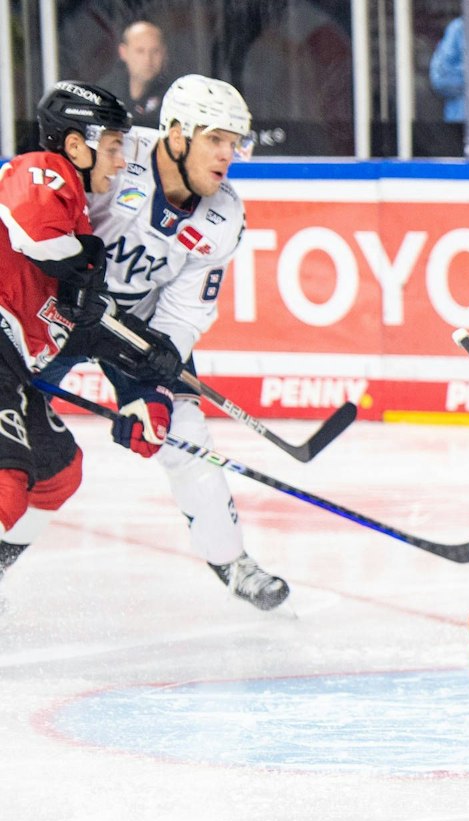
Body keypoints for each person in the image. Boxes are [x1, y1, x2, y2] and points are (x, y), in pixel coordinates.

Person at [43, 75, 284, 610]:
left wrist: (154, 384)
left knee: (185, 431)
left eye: (234, 142)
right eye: (216, 139)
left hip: (138, 324)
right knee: (14, 421)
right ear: (177, 134)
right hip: (60, 307)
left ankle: (232, 561)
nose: (227, 156)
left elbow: (186, 309)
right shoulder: (115, 155)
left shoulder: (224, 216)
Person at [0, 83, 162, 589]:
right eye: (113, 147)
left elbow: (82, 326)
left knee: (58, 472)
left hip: (11, 361)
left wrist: (148, 369)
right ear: (75, 145)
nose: (119, 163)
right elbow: (35, 235)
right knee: (6, 481)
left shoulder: (79, 215)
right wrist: (84, 264)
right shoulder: (41, 171)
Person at [100, 21, 173, 126]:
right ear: (123, 52)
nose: (148, 60)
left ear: (164, 53)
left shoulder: (175, 95)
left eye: (155, 51)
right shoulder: (105, 94)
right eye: (140, 51)